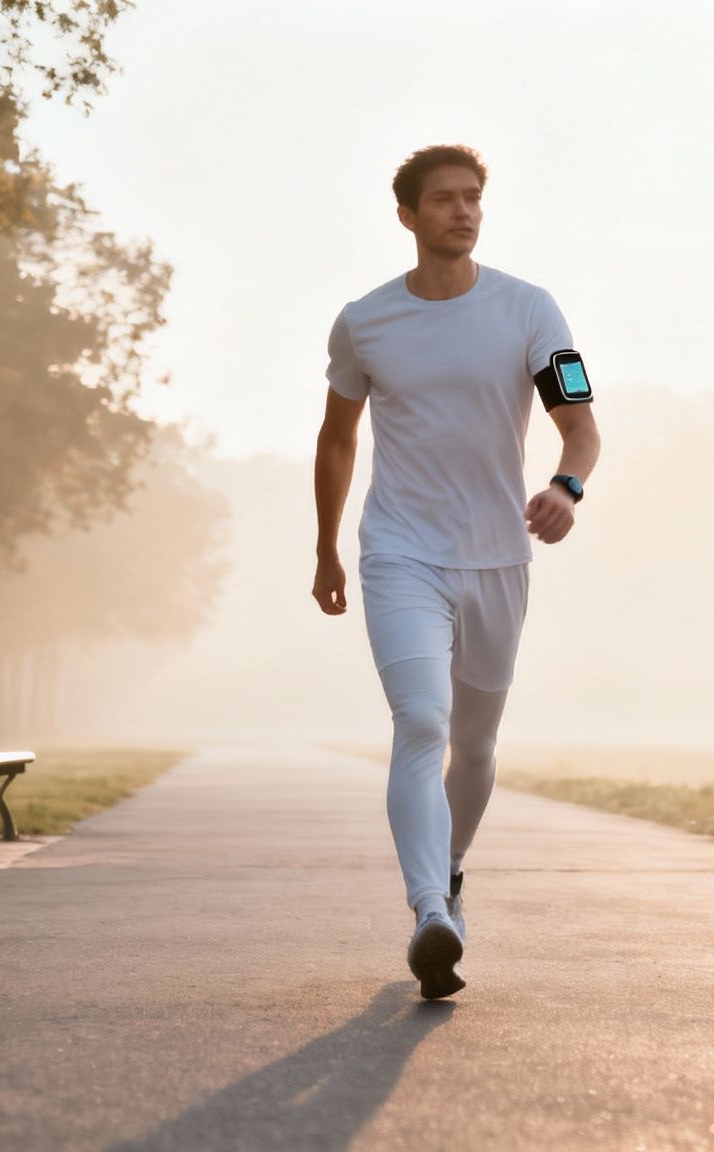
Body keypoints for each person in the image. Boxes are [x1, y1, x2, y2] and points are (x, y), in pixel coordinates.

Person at [312, 144, 603, 1000]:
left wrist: (566, 487)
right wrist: (327, 546)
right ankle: (430, 910)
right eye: (443, 200)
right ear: (407, 214)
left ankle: (453, 871)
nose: (463, 211)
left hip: (498, 556)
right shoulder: (364, 322)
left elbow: (580, 425)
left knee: (474, 745)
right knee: (422, 723)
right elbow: (337, 438)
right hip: (399, 550)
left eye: (473, 198)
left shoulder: (530, 311)